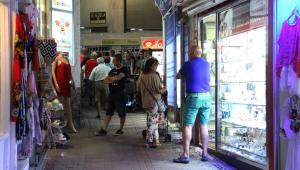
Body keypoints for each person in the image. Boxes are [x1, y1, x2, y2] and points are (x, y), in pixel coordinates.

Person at [173, 45, 211, 163]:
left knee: (188, 125)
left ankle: (185, 155)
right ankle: (205, 153)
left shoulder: (188, 64)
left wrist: (186, 75)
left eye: (189, 51)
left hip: (194, 97)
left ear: (192, 53)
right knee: (204, 125)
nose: (188, 53)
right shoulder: (207, 64)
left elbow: (177, 76)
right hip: (207, 97)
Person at [95, 54, 128, 136]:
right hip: (112, 94)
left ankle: (120, 129)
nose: (113, 62)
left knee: (121, 112)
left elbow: (118, 78)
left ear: (118, 61)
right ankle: (104, 129)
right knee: (109, 112)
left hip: (120, 94)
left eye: (114, 60)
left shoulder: (124, 69)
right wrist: (112, 79)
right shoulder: (112, 70)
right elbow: (105, 80)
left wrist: (112, 78)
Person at [137, 58, 166, 148]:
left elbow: (137, 89)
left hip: (146, 101)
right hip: (154, 102)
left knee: (153, 121)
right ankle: (149, 141)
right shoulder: (154, 76)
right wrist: (165, 87)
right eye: (156, 65)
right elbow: (159, 90)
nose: (156, 67)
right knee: (152, 123)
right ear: (151, 66)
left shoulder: (141, 76)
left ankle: (155, 141)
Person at [52, 52, 78, 133]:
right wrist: (55, 84)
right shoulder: (56, 58)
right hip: (59, 83)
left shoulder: (66, 59)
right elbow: (52, 72)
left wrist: (73, 82)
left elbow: (70, 73)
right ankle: (58, 125)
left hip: (66, 83)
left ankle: (70, 124)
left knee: (68, 105)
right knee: (59, 105)